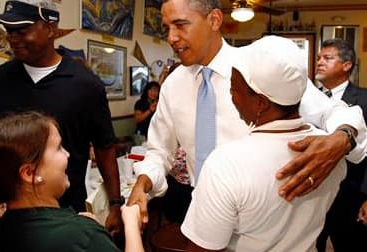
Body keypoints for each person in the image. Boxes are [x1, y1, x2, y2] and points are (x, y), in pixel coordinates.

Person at [127, 0, 367, 225]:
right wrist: (144, 180)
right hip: (201, 212)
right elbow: (160, 151)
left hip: (263, 218)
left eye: (180, 25)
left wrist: (343, 137)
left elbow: (335, 112)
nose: (171, 37)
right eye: (166, 28)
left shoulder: (258, 69)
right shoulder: (173, 85)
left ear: (214, 19)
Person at [0, 0, 122, 234]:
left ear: (51, 29)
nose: (13, 39)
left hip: (64, 214)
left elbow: (105, 148)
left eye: (22, 31)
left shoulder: (86, 85)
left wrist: (115, 204)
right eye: (9, 32)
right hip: (3, 215)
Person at [181, 35, 347, 252]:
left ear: (260, 102)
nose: (231, 96)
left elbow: (202, 248)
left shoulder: (227, 164)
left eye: (234, 88)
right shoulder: (329, 152)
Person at [0, 111, 120, 252]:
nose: (67, 154)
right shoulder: (83, 237)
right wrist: (130, 223)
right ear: (29, 173)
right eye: (59, 148)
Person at [315, 38, 367, 252]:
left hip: (351, 196)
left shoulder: (364, 99)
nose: (319, 62)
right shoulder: (309, 99)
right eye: (319, 58)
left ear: (347, 65)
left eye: (327, 58)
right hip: (313, 196)